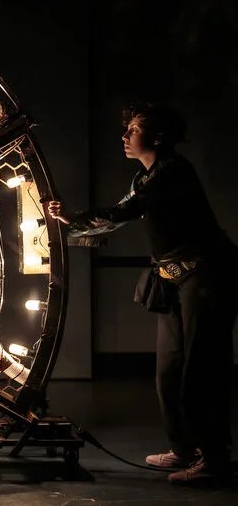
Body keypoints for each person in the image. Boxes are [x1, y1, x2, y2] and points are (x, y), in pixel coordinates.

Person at [48, 102, 237, 485]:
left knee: (201, 371)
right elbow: (120, 213)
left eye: (133, 129)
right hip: (175, 281)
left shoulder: (172, 171)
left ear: (158, 137)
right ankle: (184, 449)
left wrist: (74, 218)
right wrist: (69, 221)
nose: (124, 136)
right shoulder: (144, 177)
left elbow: (126, 212)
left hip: (207, 279)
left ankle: (214, 460)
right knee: (168, 372)